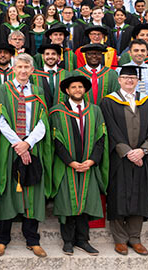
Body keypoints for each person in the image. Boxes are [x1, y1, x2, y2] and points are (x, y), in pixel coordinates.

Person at [0, 53, 51, 258]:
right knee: (9, 191)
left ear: (32, 70)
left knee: (33, 192)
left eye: (27, 67)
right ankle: (2, 238)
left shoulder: (38, 91)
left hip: (32, 147)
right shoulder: (2, 90)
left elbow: (43, 121)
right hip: (10, 148)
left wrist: (28, 143)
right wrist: (17, 143)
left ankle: (32, 239)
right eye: (20, 67)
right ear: (13, 69)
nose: (23, 71)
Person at [100, 65, 148, 256]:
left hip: (142, 158)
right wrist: (127, 151)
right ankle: (120, 239)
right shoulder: (108, 102)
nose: (128, 81)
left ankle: (135, 238)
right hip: (119, 158)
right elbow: (110, 129)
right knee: (118, 196)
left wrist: (143, 151)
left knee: (140, 196)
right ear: (118, 80)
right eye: (125, 77)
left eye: (132, 78)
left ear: (137, 81)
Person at [49, 75, 109, 256]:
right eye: (73, 87)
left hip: (89, 165)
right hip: (66, 166)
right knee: (68, 203)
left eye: (80, 87)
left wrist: (91, 161)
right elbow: (56, 140)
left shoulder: (95, 110)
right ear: (67, 91)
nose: (77, 90)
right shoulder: (57, 112)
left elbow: (101, 136)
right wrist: (71, 162)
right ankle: (67, 241)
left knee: (85, 202)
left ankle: (83, 240)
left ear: (85, 90)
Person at [118, 39, 148, 112]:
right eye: (136, 50)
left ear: (147, 52)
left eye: (142, 51)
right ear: (130, 52)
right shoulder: (120, 70)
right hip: (126, 110)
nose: (139, 53)